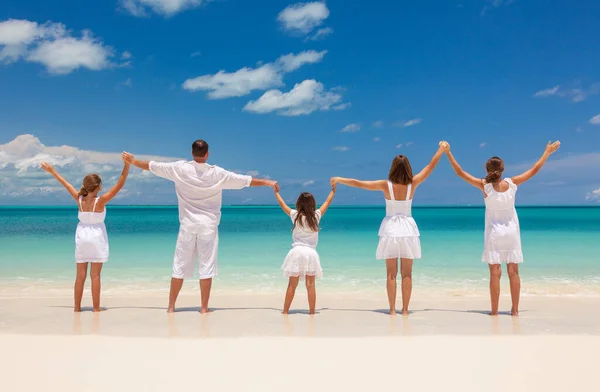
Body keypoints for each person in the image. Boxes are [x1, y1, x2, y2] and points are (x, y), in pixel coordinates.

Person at [122, 140, 278, 313]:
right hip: (208, 227)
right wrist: (267, 182)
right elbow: (245, 181)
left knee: (179, 267)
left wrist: (133, 161)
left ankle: (171, 307)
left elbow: (152, 166)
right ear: (207, 154)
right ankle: (204, 308)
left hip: (187, 226)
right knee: (206, 267)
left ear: (192, 153)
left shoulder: (179, 169)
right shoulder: (218, 173)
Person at [331, 142, 449, 316]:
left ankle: (392, 310)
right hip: (408, 229)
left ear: (392, 169)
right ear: (408, 168)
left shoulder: (385, 185)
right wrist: (441, 149)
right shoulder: (413, 183)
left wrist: (340, 179)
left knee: (391, 274)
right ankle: (406, 310)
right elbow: (431, 166)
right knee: (407, 274)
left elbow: (360, 183)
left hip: (391, 229)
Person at [444, 141, 561, 316]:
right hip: (512, 232)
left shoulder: (485, 186)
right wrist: (547, 153)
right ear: (503, 169)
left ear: (487, 169)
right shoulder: (512, 183)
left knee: (494, 274)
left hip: (494, 234)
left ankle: (495, 311)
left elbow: (459, 172)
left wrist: (448, 152)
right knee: (513, 272)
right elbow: (535, 169)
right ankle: (514, 311)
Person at [40, 155, 131, 312]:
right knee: (95, 276)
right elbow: (120, 184)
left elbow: (65, 184)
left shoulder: (79, 199)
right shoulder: (101, 201)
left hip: (82, 237)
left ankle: (76, 308)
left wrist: (53, 171)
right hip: (96, 238)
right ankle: (96, 309)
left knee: (80, 276)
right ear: (98, 187)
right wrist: (127, 165)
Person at [274, 185, 336, 315]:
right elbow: (327, 202)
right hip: (311, 254)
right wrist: (333, 190)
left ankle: (285, 311)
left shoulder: (295, 215)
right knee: (310, 285)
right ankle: (312, 312)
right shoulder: (316, 216)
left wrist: (276, 193)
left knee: (292, 284)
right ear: (313, 204)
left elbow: (283, 205)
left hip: (297, 252)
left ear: (298, 204)